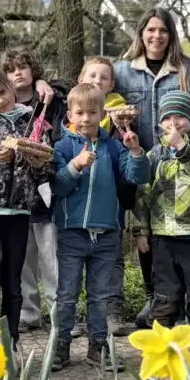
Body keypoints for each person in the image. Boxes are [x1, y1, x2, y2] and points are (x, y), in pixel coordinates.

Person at [50, 84, 149, 372]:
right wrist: (75, 165)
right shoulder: (63, 146)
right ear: (69, 114)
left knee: (100, 295)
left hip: (107, 233)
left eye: (93, 112)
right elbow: (59, 187)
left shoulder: (114, 146)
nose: (86, 118)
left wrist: (136, 151)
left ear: (102, 114)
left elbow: (136, 177)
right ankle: (61, 344)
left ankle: (98, 345)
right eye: (79, 113)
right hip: (72, 232)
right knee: (66, 293)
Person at [114, 8, 190, 328]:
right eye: (150, 30)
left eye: (163, 30)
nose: (156, 36)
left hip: (175, 165)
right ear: (141, 33)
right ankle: (153, 297)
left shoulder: (186, 69)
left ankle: (182, 298)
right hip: (136, 162)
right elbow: (92, 92)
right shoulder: (122, 71)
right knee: (143, 233)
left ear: (171, 35)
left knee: (175, 233)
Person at [0, 68, 51, 349]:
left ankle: (10, 342)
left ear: (10, 87)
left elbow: (45, 168)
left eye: (2, 93)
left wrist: (39, 165)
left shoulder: (34, 121)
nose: (0, 101)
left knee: (13, 284)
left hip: (20, 211)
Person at [132, 91, 190, 358]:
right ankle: (160, 347)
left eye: (180, 116)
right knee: (165, 296)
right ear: (159, 123)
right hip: (163, 236)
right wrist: (141, 230)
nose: (173, 123)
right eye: (167, 118)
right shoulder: (155, 154)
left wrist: (182, 147)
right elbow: (143, 194)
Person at [1, 47, 66, 334]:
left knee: (50, 256)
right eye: (11, 69)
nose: (18, 73)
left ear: (33, 71)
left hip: (45, 192)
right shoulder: (3, 105)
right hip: (15, 195)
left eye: (23, 67)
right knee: (23, 256)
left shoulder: (50, 100)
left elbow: (71, 91)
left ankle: (57, 310)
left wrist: (50, 89)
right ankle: (29, 311)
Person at [78, 56, 137, 337]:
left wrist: (121, 126)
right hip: (78, 204)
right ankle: (86, 313)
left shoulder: (123, 115)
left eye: (104, 78)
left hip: (111, 199)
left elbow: (130, 157)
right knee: (77, 258)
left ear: (112, 84)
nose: (97, 82)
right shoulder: (74, 116)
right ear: (81, 80)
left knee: (113, 257)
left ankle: (113, 310)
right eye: (92, 76)